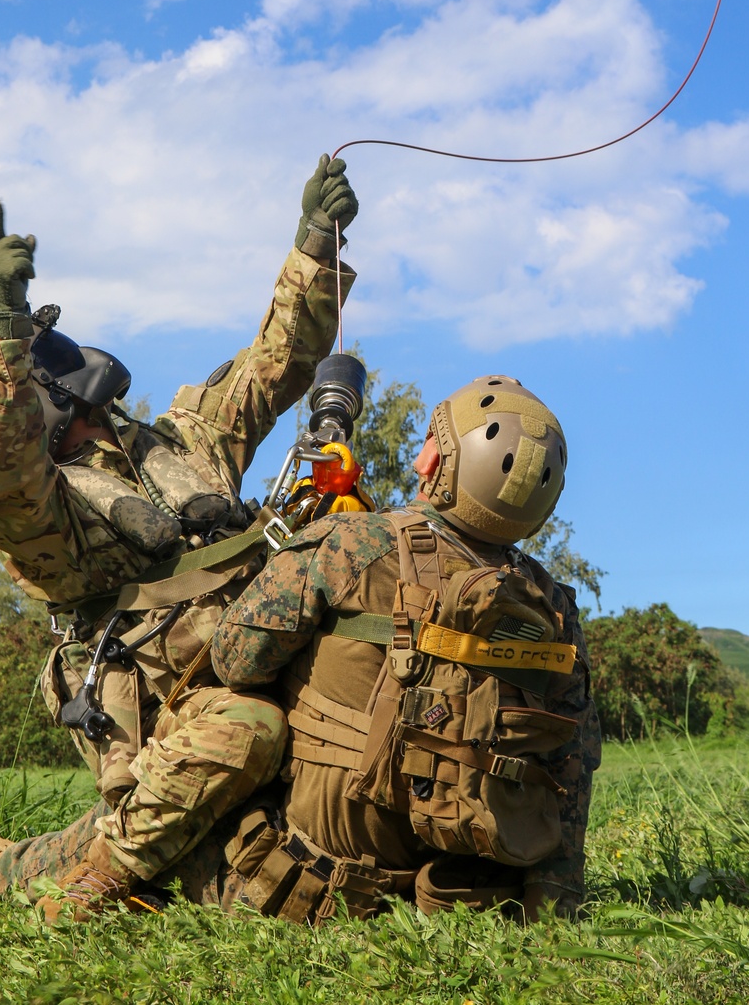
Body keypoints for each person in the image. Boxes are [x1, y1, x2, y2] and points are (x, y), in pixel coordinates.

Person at [0, 155, 359, 921]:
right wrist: (4, 336)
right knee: (247, 735)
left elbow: (272, 367)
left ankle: (36, 860)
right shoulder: (51, 523)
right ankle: (47, 876)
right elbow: (5, 480)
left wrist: (313, 249)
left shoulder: (182, 442)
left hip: (274, 652)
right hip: (185, 717)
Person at [209, 373, 601, 924]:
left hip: (308, 885)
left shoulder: (352, 541)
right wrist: (554, 902)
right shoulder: (554, 606)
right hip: (464, 902)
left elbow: (233, 660)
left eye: (429, 444)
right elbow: (574, 767)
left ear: (434, 464)